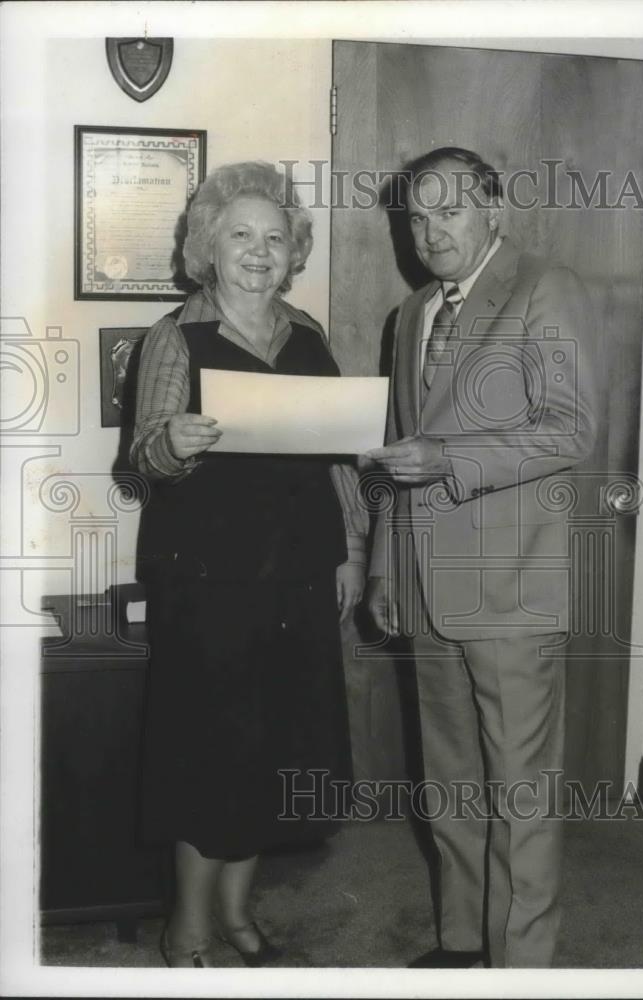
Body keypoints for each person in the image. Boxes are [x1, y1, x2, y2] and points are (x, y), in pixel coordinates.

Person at [364, 147, 599, 968]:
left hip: (513, 586)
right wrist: (386, 570)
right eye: (417, 219)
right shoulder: (410, 317)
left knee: (520, 794)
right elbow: (399, 458)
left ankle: (521, 967)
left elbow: (570, 428)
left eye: (449, 212)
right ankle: (464, 943)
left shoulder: (546, 287)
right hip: (428, 588)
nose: (431, 234)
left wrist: (452, 461)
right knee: (451, 788)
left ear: (494, 207)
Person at [131, 161, 367, 967]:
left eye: (275, 237)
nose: (259, 252)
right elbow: (144, 455)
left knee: (279, 748)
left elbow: (337, 461)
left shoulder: (308, 335)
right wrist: (176, 443)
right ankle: (187, 925)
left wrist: (351, 555)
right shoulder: (176, 336)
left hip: (299, 577)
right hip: (206, 581)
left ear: (292, 249)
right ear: (208, 247)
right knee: (213, 751)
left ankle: (236, 911)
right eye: (241, 235)